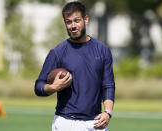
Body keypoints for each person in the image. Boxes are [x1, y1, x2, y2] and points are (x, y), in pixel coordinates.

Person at [34, 1, 115, 131]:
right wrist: (53, 87)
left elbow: (108, 85)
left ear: (86, 19)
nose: (73, 26)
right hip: (66, 122)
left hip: (96, 123)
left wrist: (108, 112)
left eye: (76, 20)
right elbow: (38, 87)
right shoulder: (57, 52)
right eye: (68, 22)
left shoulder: (103, 50)